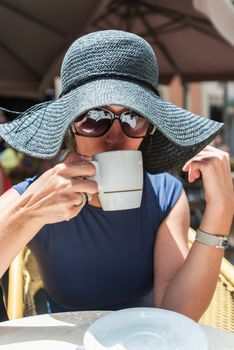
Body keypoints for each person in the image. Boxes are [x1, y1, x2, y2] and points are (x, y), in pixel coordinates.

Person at [0, 30, 233, 322]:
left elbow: (178, 313)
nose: (114, 137)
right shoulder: (41, 197)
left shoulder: (165, 195)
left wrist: (221, 211)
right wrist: (26, 214)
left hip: (145, 338)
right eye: (94, 118)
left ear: (149, 129)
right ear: (71, 125)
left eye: (133, 119)